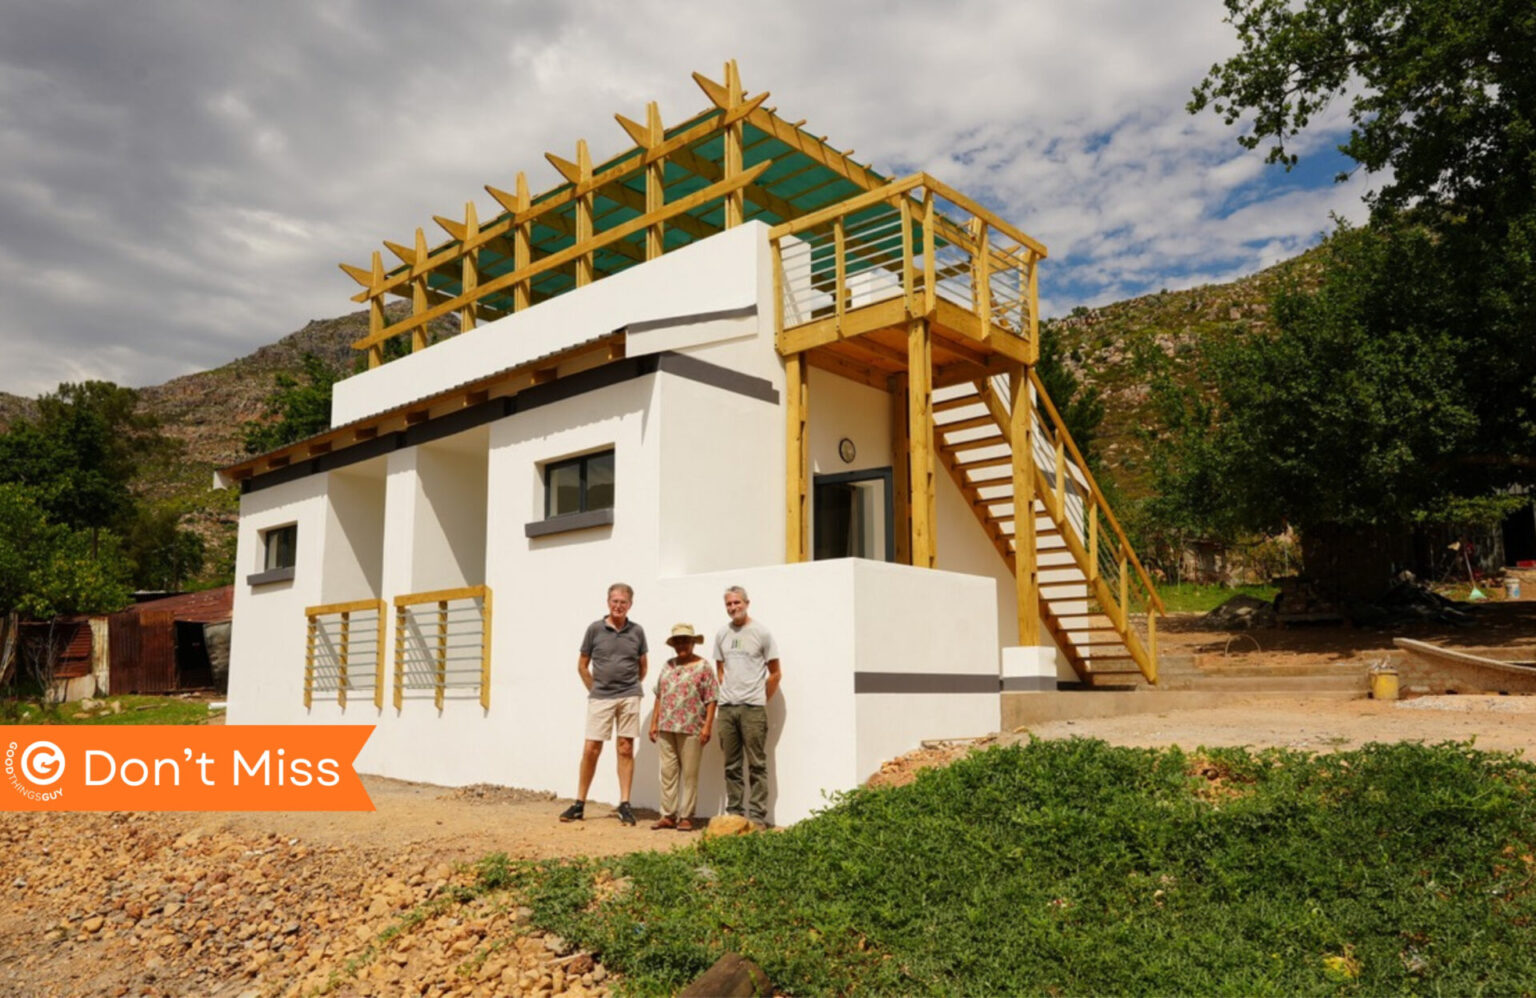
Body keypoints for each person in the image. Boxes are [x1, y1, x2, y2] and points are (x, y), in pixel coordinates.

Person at [559, 583, 648, 825]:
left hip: (629, 696)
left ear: (630, 604)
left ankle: (625, 804)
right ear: (608, 602)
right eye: (615, 601)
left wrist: (629, 688)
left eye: (623, 602)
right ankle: (579, 804)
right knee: (591, 749)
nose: (618, 605)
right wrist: (596, 689)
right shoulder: (594, 629)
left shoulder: (637, 631)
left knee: (625, 748)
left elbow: (643, 666)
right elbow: (582, 665)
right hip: (601, 697)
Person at [712, 585, 781, 827]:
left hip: (752, 708)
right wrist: (729, 692)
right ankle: (735, 813)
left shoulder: (761, 633)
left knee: (756, 764)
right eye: (729, 604)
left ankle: (758, 817)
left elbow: (775, 674)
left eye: (736, 603)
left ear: (747, 603)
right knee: (731, 764)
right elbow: (720, 669)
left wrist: (759, 698)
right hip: (727, 708)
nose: (733, 608)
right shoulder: (722, 634)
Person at [647, 623, 719, 831]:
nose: (681, 645)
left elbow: (712, 698)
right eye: (677, 642)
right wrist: (654, 723)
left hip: (692, 728)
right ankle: (668, 815)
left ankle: (686, 816)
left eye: (685, 641)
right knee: (668, 772)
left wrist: (707, 727)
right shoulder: (668, 665)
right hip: (667, 726)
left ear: (692, 643)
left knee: (689, 773)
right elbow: (659, 695)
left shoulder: (703, 666)